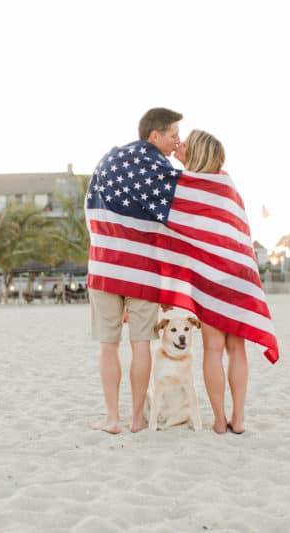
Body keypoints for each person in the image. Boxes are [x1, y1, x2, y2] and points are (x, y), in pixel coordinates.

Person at [87, 107, 183, 434]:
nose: (177, 142)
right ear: (154, 135)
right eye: (173, 136)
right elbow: (182, 209)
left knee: (107, 344)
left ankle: (112, 418)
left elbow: (90, 210)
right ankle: (137, 419)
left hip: (104, 266)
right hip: (142, 270)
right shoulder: (160, 167)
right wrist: (183, 162)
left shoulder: (108, 160)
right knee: (141, 343)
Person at [174, 129, 247, 434]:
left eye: (186, 145)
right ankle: (238, 419)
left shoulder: (186, 186)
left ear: (196, 153)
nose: (180, 146)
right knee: (236, 348)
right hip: (238, 274)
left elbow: (174, 231)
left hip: (209, 276)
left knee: (213, 349)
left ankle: (219, 421)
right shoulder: (227, 182)